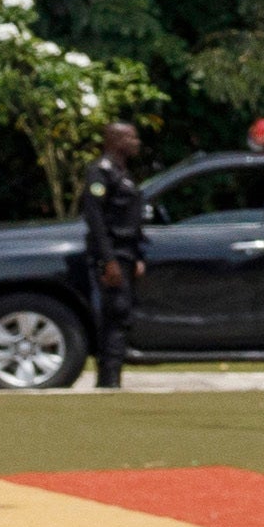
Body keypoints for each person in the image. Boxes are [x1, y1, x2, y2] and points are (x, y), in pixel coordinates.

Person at [73, 121, 148, 390]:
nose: (136, 142)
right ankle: (108, 381)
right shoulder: (100, 173)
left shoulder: (123, 173)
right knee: (115, 314)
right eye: (131, 137)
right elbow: (95, 219)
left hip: (125, 254)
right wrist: (109, 261)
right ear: (115, 141)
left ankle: (112, 379)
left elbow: (131, 219)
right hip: (112, 255)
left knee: (121, 314)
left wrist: (136, 255)